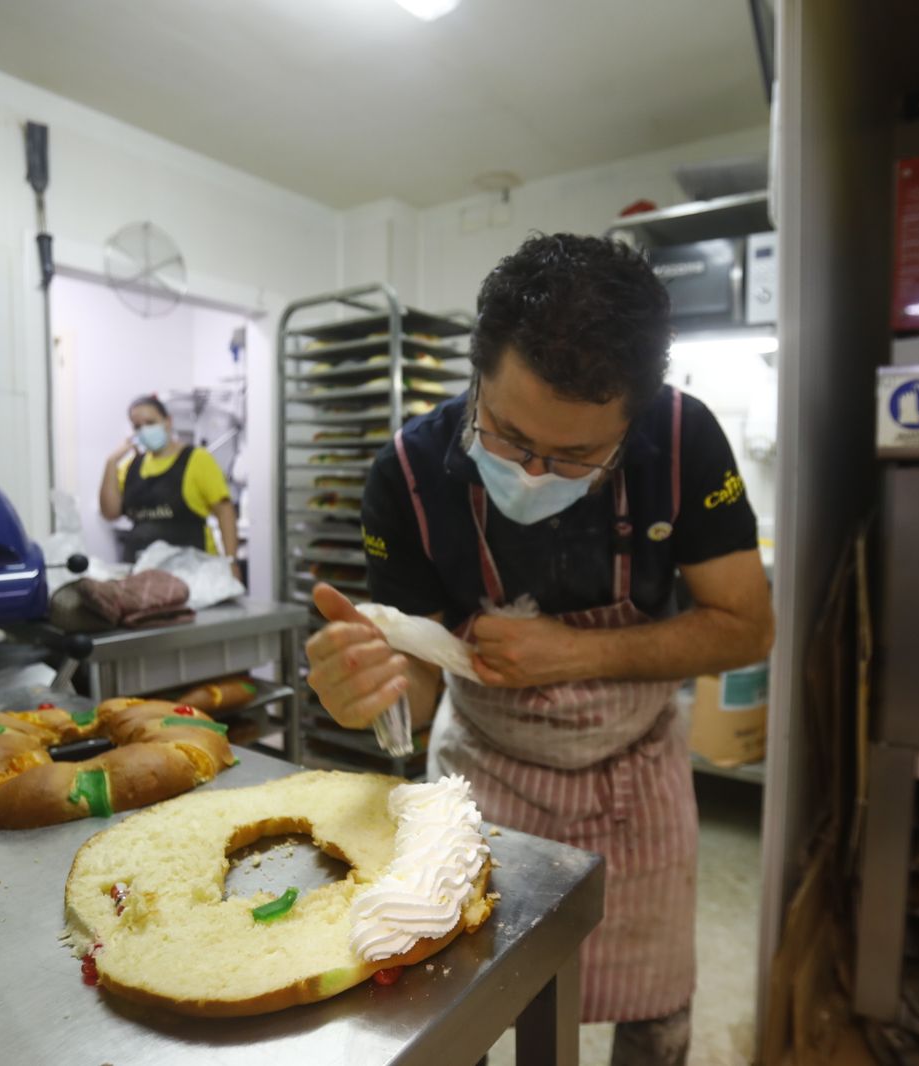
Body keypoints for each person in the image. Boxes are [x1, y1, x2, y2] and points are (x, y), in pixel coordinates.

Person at [306, 233, 774, 1066]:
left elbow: (747, 625)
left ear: (632, 420)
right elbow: (412, 683)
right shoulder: (408, 476)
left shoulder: (683, 440)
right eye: (510, 436)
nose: (532, 471)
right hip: (482, 770)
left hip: (640, 773)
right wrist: (371, 688)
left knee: (656, 1015)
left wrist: (577, 653)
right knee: (466, 1002)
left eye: (577, 457)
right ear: (477, 374)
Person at [98, 394, 240, 574]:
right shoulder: (130, 466)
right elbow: (110, 513)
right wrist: (111, 462)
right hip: (142, 571)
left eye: (150, 423)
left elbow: (224, 511)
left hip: (193, 571)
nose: (144, 430)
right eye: (137, 426)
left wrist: (231, 561)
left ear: (167, 422)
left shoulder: (197, 460)